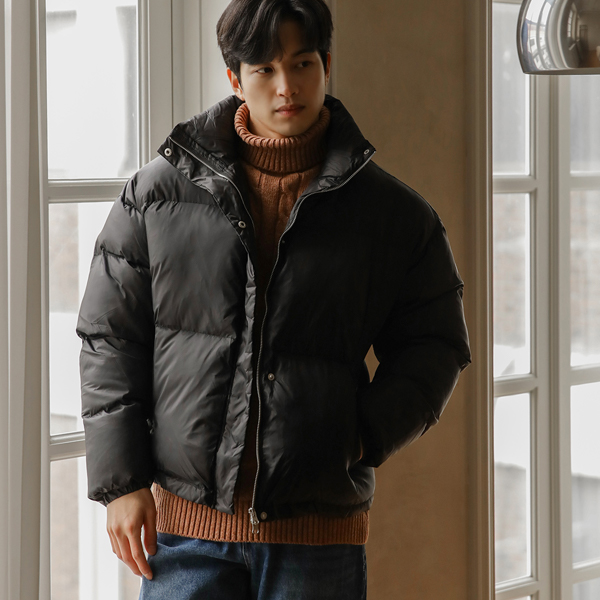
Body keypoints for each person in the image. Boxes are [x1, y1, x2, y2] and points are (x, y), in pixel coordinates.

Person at [76, 0, 471, 598]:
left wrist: (360, 435)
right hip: (186, 534)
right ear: (235, 79)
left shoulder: (392, 215)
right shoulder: (154, 196)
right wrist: (122, 483)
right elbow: (111, 338)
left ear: (326, 65)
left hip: (317, 535)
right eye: (264, 69)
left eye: (302, 63)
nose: (287, 86)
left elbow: (436, 345)